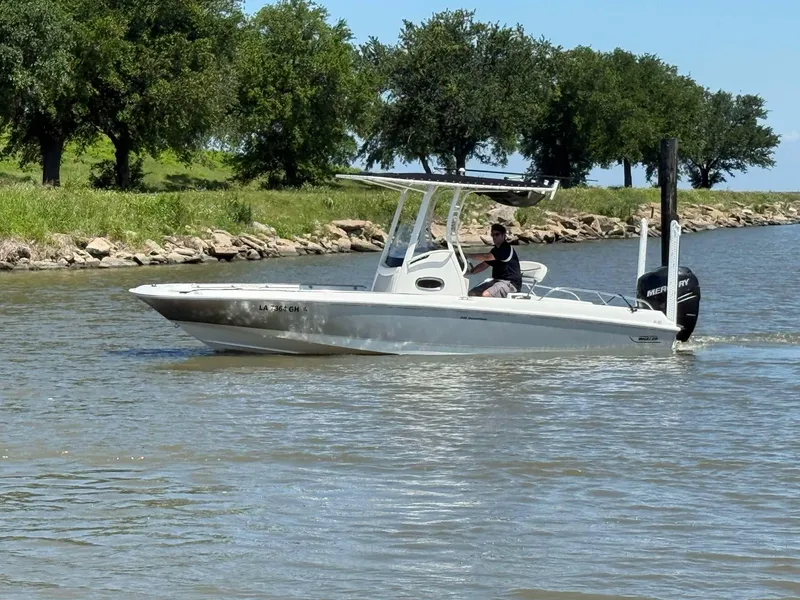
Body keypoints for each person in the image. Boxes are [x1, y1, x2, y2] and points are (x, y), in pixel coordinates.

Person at [466, 223, 522, 297]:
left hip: (510, 284)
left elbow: (487, 257)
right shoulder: (495, 250)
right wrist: (468, 272)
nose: (494, 237)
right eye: (493, 235)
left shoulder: (506, 248)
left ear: (503, 235)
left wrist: (467, 255)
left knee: (486, 294)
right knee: (472, 294)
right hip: (496, 281)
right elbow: (484, 265)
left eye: (497, 234)